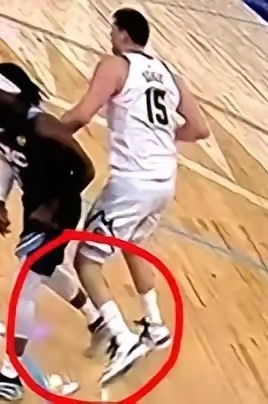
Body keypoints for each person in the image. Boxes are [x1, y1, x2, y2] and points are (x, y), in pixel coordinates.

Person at [61, 7, 210, 386]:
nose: (110, 36)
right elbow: (199, 128)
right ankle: (155, 326)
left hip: (132, 183)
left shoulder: (115, 65)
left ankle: (122, 339)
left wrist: (47, 135)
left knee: (85, 260)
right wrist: (163, 137)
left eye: (113, 30)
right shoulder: (169, 73)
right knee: (133, 244)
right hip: (164, 181)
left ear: (123, 33)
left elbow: (82, 114)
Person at [0, 62, 104, 401]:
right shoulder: (3, 121)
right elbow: (6, 158)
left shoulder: (43, 127)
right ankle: (97, 320)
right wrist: (0, 200)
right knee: (46, 270)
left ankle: (10, 377)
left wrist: (52, 208)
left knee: (23, 290)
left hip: (57, 213)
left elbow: (86, 170)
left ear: (13, 96)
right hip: (34, 210)